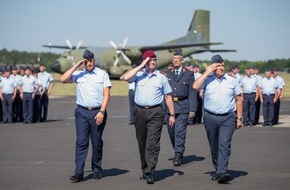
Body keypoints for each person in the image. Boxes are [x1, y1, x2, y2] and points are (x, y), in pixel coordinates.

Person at [123, 50, 175, 184]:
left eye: (154, 60)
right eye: (149, 60)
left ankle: (150, 171)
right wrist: (140, 66)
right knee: (142, 143)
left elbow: (168, 96)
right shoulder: (138, 75)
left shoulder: (161, 77)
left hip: (156, 112)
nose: (152, 62)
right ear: (145, 61)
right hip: (140, 112)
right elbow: (125, 78)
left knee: (152, 143)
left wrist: (172, 115)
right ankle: (144, 169)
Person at [60, 49, 112, 183]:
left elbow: (106, 94)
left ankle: (97, 169)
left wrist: (102, 111)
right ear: (84, 62)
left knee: (96, 142)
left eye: (91, 61)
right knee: (81, 143)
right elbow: (63, 79)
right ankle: (78, 173)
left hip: (97, 112)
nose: (89, 63)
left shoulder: (102, 74)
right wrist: (76, 66)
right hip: (81, 112)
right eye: (86, 61)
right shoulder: (78, 74)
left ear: (94, 60)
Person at [193, 54, 243, 184]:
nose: (221, 67)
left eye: (222, 65)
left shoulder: (232, 80)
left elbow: (239, 99)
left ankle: (222, 171)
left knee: (224, 144)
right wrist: (206, 72)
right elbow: (195, 87)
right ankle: (218, 169)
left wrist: (239, 118)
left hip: (228, 117)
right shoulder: (207, 79)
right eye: (218, 65)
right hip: (210, 117)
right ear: (212, 66)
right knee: (214, 145)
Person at [164, 49, 197, 166]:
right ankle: (177, 148)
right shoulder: (167, 73)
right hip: (169, 107)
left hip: (183, 107)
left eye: (178, 59)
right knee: (171, 132)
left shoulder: (189, 74)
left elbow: (192, 92)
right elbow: (164, 92)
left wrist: (192, 109)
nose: (175, 61)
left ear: (182, 61)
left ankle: (178, 154)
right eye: (174, 59)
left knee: (180, 132)